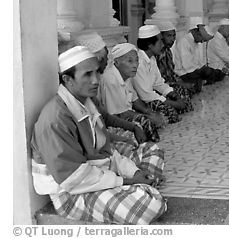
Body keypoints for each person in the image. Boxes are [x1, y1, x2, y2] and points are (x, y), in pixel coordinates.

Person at [30, 46, 167, 224]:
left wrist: (135, 172)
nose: (95, 80)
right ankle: (142, 187)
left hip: (99, 170)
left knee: (152, 151)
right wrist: (125, 181)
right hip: (72, 193)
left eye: (97, 72)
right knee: (149, 205)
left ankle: (142, 183)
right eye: (87, 75)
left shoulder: (87, 101)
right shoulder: (55, 119)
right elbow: (74, 178)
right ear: (67, 79)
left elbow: (107, 150)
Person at [76, 33, 144, 145]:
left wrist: (133, 127)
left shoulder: (92, 88)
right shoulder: (82, 93)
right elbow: (90, 135)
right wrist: (122, 139)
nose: (108, 60)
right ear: (96, 60)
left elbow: (105, 117)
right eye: (105, 57)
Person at [100, 43, 166, 143]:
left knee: (154, 115)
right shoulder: (110, 79)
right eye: (130, 61)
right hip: (114, 121)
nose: (135, 65)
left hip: (126, 115)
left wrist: (150, 113)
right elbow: (118, 114)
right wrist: (147, 117)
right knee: (143, 121)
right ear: (117, 62)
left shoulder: (126, 76)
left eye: (136, 60)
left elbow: (135, 100)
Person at [133, 25, 187, 124]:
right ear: (150, 45)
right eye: (160, 42)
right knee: (169, 111)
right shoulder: (138, 63)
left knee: (181, 96)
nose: (162, 45)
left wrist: (174, 94)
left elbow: (159, 83)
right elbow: (146, 96)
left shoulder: (152, 59)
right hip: (143, 102)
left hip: (153, 96)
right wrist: (173, 103)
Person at [156, 21, 197, 113]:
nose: (173, 39)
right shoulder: (157, 54)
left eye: (174, 36)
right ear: (161, 37)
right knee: (183, 93)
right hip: (161, 87)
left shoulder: (168, 51)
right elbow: (160, 80)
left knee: (192, 86)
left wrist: (180, 82)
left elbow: (171, 73)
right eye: (169, 36)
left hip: (170, 83)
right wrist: (179, 84)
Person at [173, 16, 226, 85]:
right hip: (185, 73)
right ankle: (202, 81)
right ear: (195, 31)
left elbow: (198, 62)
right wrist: (203, 70)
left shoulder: (195, 41)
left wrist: (204, 68)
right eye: (202, 39)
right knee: (207, 74)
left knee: (218, 73)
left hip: (195, 70)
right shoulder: (184, 42)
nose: (202, 41)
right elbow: (188, 66)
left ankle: (205, 80)